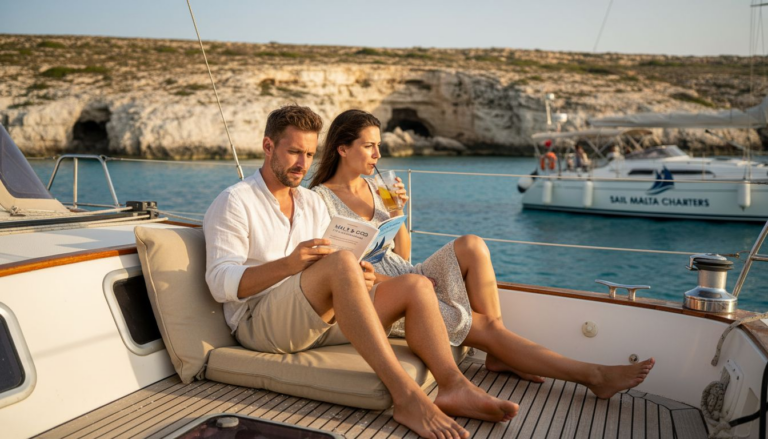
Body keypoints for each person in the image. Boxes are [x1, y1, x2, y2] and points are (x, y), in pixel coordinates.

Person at [203, 105, 518, 439]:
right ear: (268, 146)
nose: (302, 164)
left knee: (413, 285)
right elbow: (219, 283)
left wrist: (359, 276)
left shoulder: (310, 202)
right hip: (260, 322)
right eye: (294, 152)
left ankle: (454, 386)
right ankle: (406, 397)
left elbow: (329, 265)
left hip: (313, 315)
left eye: (309, 154)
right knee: (341, 263)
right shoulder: (235, 201)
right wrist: (291, 264)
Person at [309, 109, 655, 400]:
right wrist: (411, 284)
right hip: (377, 292)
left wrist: (399, 210)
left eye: (379, 146)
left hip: (404, 271)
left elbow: (402, 253)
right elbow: (341, 274)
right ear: (342, 149)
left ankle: (498, 352)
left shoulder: (376, 186)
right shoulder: (321, 200)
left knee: (472, 245)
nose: (378, 155)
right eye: (369, 146)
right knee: (485, 325)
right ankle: (593, 376)